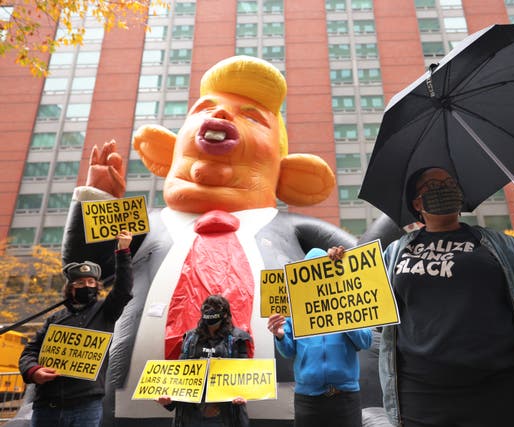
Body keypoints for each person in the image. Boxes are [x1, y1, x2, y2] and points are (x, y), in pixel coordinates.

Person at [58, 55, 356, 426]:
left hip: (278, 402)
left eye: (252, 116)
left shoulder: (294, 229)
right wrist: (96, 203)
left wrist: (343, 259)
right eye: (206, 108)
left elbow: (365, 285)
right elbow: (85, 270)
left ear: (292, 173)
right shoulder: (146, 224)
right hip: (136, 402)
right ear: (167, 149)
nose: (223, 116)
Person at [330, 167, 514, 427]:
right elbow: (371, 307)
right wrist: (341, 267)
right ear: (417, 203)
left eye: (449, 182)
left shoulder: (497, 244)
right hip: (420, 394)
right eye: (433, 185)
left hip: (499, 390)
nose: (444, 187)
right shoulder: (396, 251)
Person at [19, 231, 134, 427]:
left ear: (97, 287)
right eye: (80, 283)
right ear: (70, 289)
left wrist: (123, 252)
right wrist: (33, 371)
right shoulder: (54, 320)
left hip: (86, 405)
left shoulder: (105, 312)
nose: (86, 286)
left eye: (90, 282)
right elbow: (29, 352)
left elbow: (123, 289)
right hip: (47, 405)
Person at [267, 248, 373, 427]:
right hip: (308, 399)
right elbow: (288, 351)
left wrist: (344, 315)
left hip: (345, 396)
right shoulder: (296, 308)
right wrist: (279, 336)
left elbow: (366, 340)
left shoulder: (349, 301)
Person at [157, 294, 251, 427]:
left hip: (225, 415)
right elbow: (179, 376)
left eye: (216, 307)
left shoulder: (237, 339)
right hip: (191, 414)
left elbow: (243, 374)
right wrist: (169, 402)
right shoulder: (190, 338)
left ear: (225, 313)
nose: (210, 310)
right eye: (207, 306)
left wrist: (243, 393)